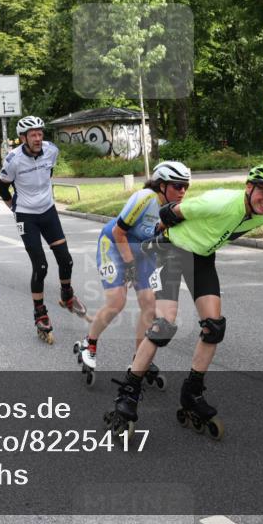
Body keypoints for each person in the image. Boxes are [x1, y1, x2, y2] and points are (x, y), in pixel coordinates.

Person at [105, 164, 263, 440]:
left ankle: (192, 392)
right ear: (249, 188)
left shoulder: (262, 217)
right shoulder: (219, 202)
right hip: (170, 250)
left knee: (214, 327)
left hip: (202, 258)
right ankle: (129, 393)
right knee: (164, 325)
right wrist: (160, 236)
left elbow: (222, 234)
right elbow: (170, 212)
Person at [75, 161, 192, 387]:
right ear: (161, 185)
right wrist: (129, 266)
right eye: (177, 186)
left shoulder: (174, 210)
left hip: (141, 250)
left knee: (149, 303)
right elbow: (119, 232)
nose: (182, 191)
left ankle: (139, 359)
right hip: (114, 244)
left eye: (185, 186)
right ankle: (89, 343)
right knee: (116, 301)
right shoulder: (145, 198)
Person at [0, 115, 87, 344]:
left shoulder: (51, 151)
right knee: (41, 266)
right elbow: (1, 188)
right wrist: (14, 209)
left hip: (48, 211)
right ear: (23, 138)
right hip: (26, 216)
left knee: (66, 260)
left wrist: (43, 197)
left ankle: (67, 295)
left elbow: (48, 174)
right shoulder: (13, 160)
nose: (38, 138)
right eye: (33, 135)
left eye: (40, 133)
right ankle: (40, 313)